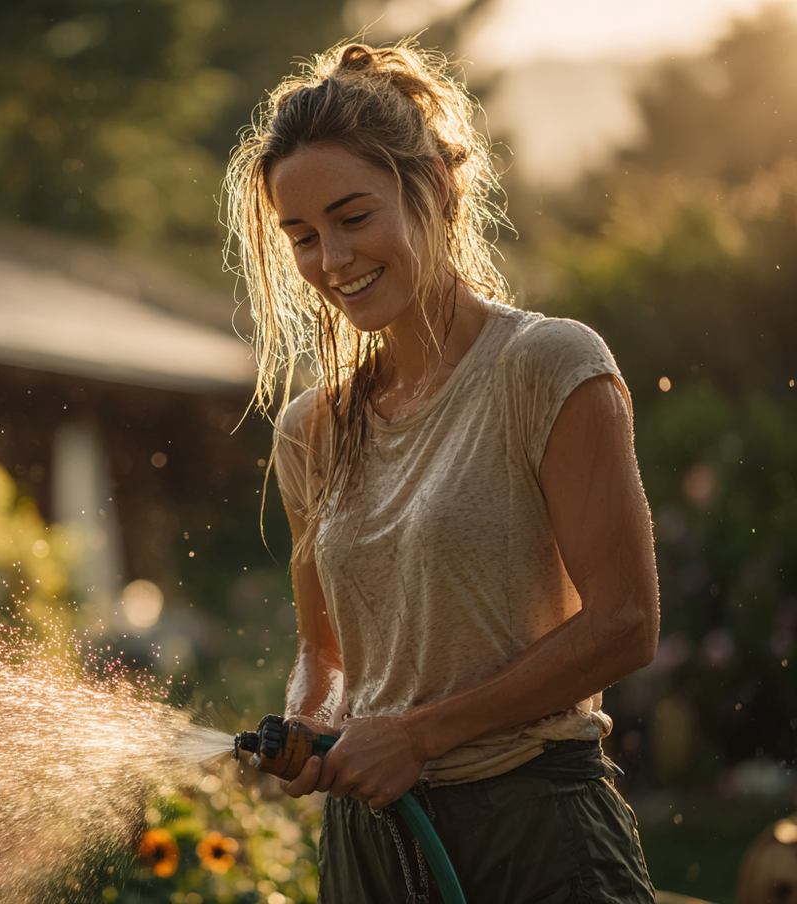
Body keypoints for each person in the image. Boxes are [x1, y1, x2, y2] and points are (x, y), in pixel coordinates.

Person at [224, 41, 660, 902]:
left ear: (435, 185)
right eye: (302, 237)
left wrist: (419, 735)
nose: (331, 260)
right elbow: (324, 649)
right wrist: (312, 720)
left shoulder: (547, 366)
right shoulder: (311, 431)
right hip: (372, 841)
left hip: (534, 829)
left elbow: (625, 623)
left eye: (354, 217)